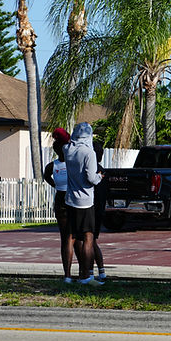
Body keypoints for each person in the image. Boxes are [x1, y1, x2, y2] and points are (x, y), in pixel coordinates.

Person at [64, 122, 104, 286]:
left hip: (70, 199)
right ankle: (86, 276)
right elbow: (91, 178)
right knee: (88, 237)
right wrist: (100, 176)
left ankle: (69, 275)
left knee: (72, 237)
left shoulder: (67, 150)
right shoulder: (89, 153)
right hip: (86, 201)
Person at [43, 128, 74, 284]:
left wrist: (56, 184)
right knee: (77, 237)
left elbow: (46, 176)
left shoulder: (52, 166)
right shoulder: (73, 164)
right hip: (73, 198)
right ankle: (84, 272)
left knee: (65, 237)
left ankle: (67, 274)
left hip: (60, 198)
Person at [91, 139, 107, 281]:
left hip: (91, 209)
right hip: (99, 210)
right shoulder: (102, 170)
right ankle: (100, 270)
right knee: (92, 241)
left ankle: (90, 271)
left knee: (88, 242)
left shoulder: (93, 171)